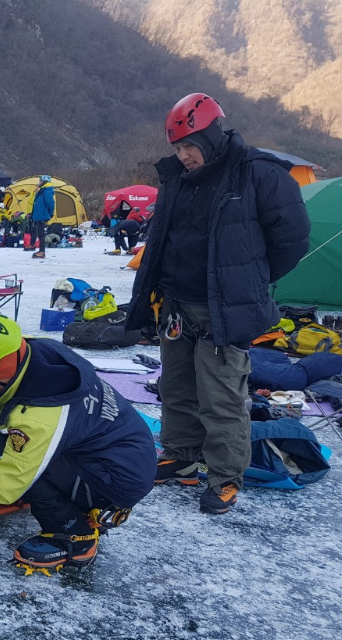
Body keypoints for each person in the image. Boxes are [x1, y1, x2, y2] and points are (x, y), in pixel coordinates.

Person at [126, 92, 310, 514]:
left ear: (211, 135)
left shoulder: (258, 174)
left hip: (223, 307)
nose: (184, 155)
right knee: (175, 386)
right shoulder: (177, 179)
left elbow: (292, 239)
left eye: (190, 146)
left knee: (221, 395)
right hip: (176, 301)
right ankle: (182, 456)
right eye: (178, 148)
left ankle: (226, 476)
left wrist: (250, 279)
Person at [0, 312, 156, 570]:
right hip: (124, 451)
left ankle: (75, 536)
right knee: (5, 444)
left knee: (6, 453)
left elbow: (2, 488)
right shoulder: (33, 350)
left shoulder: (38, 418)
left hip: (115, 481)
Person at [30, 175, 55, 259]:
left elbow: (50, 204)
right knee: (39, 233)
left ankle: (42, 251)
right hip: (38, 215)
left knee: (41, 234)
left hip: (42, 215)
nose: (39, 182)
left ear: (44, 182)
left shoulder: (46, 191)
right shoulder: (41, 191)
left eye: (40, 181)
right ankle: (41, 250)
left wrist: (50, 213)